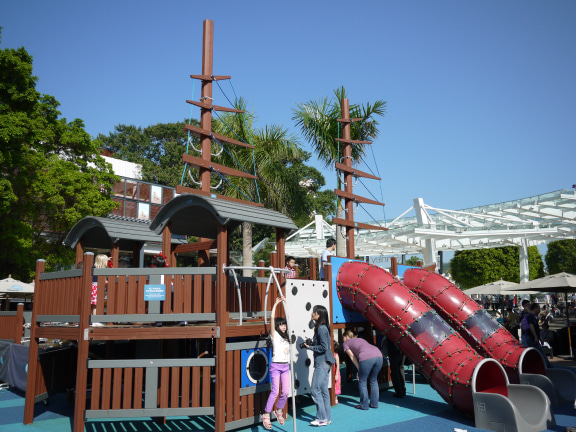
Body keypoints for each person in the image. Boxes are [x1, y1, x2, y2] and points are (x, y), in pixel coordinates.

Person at [303, 305, 335, 427]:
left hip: (322, 362)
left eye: (313, 312)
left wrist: (309, 347)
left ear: (318, 314)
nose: (312, 314)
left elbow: (323, 347)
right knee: (324, 391)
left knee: (315, 389)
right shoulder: (323, 328)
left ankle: (321, 418)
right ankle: (327, 418)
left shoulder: (321, 328)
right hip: (326, 362)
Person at [262, 297, 290, 430]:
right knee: (275, 391)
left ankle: (279, 411)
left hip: (285, 366)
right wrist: (276, 304)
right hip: (276, 366)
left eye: (284, 324)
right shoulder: (275, 336)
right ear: (277, 326)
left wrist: (285, 303)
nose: (284, 326)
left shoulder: (286, 336)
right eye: (281, 324)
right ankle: (266, 414)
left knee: (285, 392)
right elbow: (272, 318)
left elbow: (288, 318)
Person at [342, 329, 383, 410]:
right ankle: (374, 403)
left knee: (362, 381)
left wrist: (359, 369)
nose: (342, 339)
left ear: (346, 336)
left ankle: (364, 405)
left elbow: (352, 357)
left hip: (366, 357)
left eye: (343, 337)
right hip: (378, 355)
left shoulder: (346, 343)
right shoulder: (360, 339)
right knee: (373, 380)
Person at [523, 303, 551, 367]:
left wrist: (539, 338)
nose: (539, 310)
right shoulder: (530, 316)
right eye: (538, 308)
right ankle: (547, 366)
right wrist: (536, 337)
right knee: (540, 354)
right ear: (535, 308)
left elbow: (536, 328)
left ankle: (545, 366)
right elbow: (531, 326)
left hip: (533, 338)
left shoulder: (533, 317)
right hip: (531, 339)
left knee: (538, 353)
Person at [91, 254, 109, 326]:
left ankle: (92, 320)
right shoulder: (102, 271)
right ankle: (95, 320)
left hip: (91, 287)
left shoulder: (93, 268)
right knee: (95, 305)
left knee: (92, 305)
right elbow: (104, 282)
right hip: (97, 288)